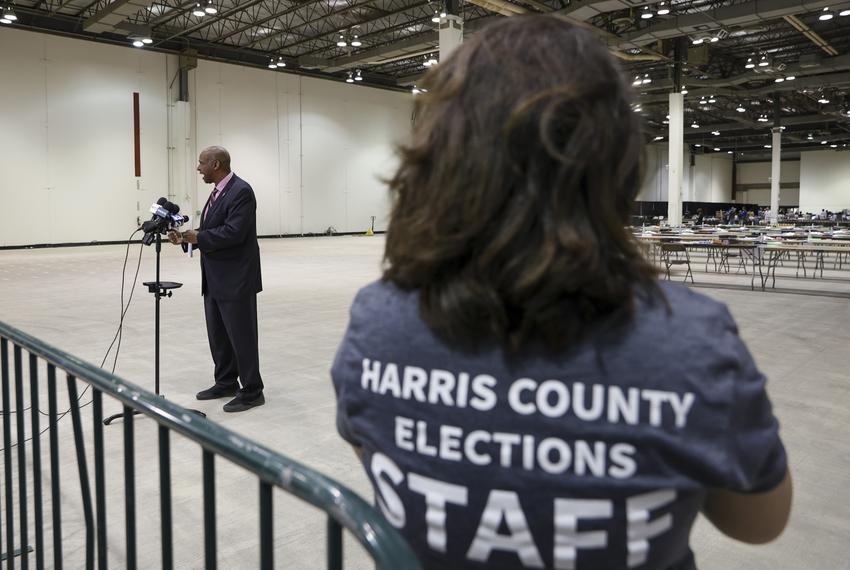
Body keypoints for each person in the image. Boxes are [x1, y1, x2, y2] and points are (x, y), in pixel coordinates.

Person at [330, 16, 791, 570]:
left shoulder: (378, 323)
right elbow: (761, 522)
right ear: (617, 165)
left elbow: (376, 455)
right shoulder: (689, 341)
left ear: (436, 160)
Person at [168, 146, 265, 413]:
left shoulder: (241, 191)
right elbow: (213, 230)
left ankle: (253, 390)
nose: (198, 168)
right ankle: (226, 382)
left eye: (201, 163)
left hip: (236, 279)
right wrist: (189, 237)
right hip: (215, 278)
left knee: (242, 336)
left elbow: (234, 232)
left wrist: (199, 238)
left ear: (216, 164)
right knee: (219, 335)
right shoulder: (218, 192)